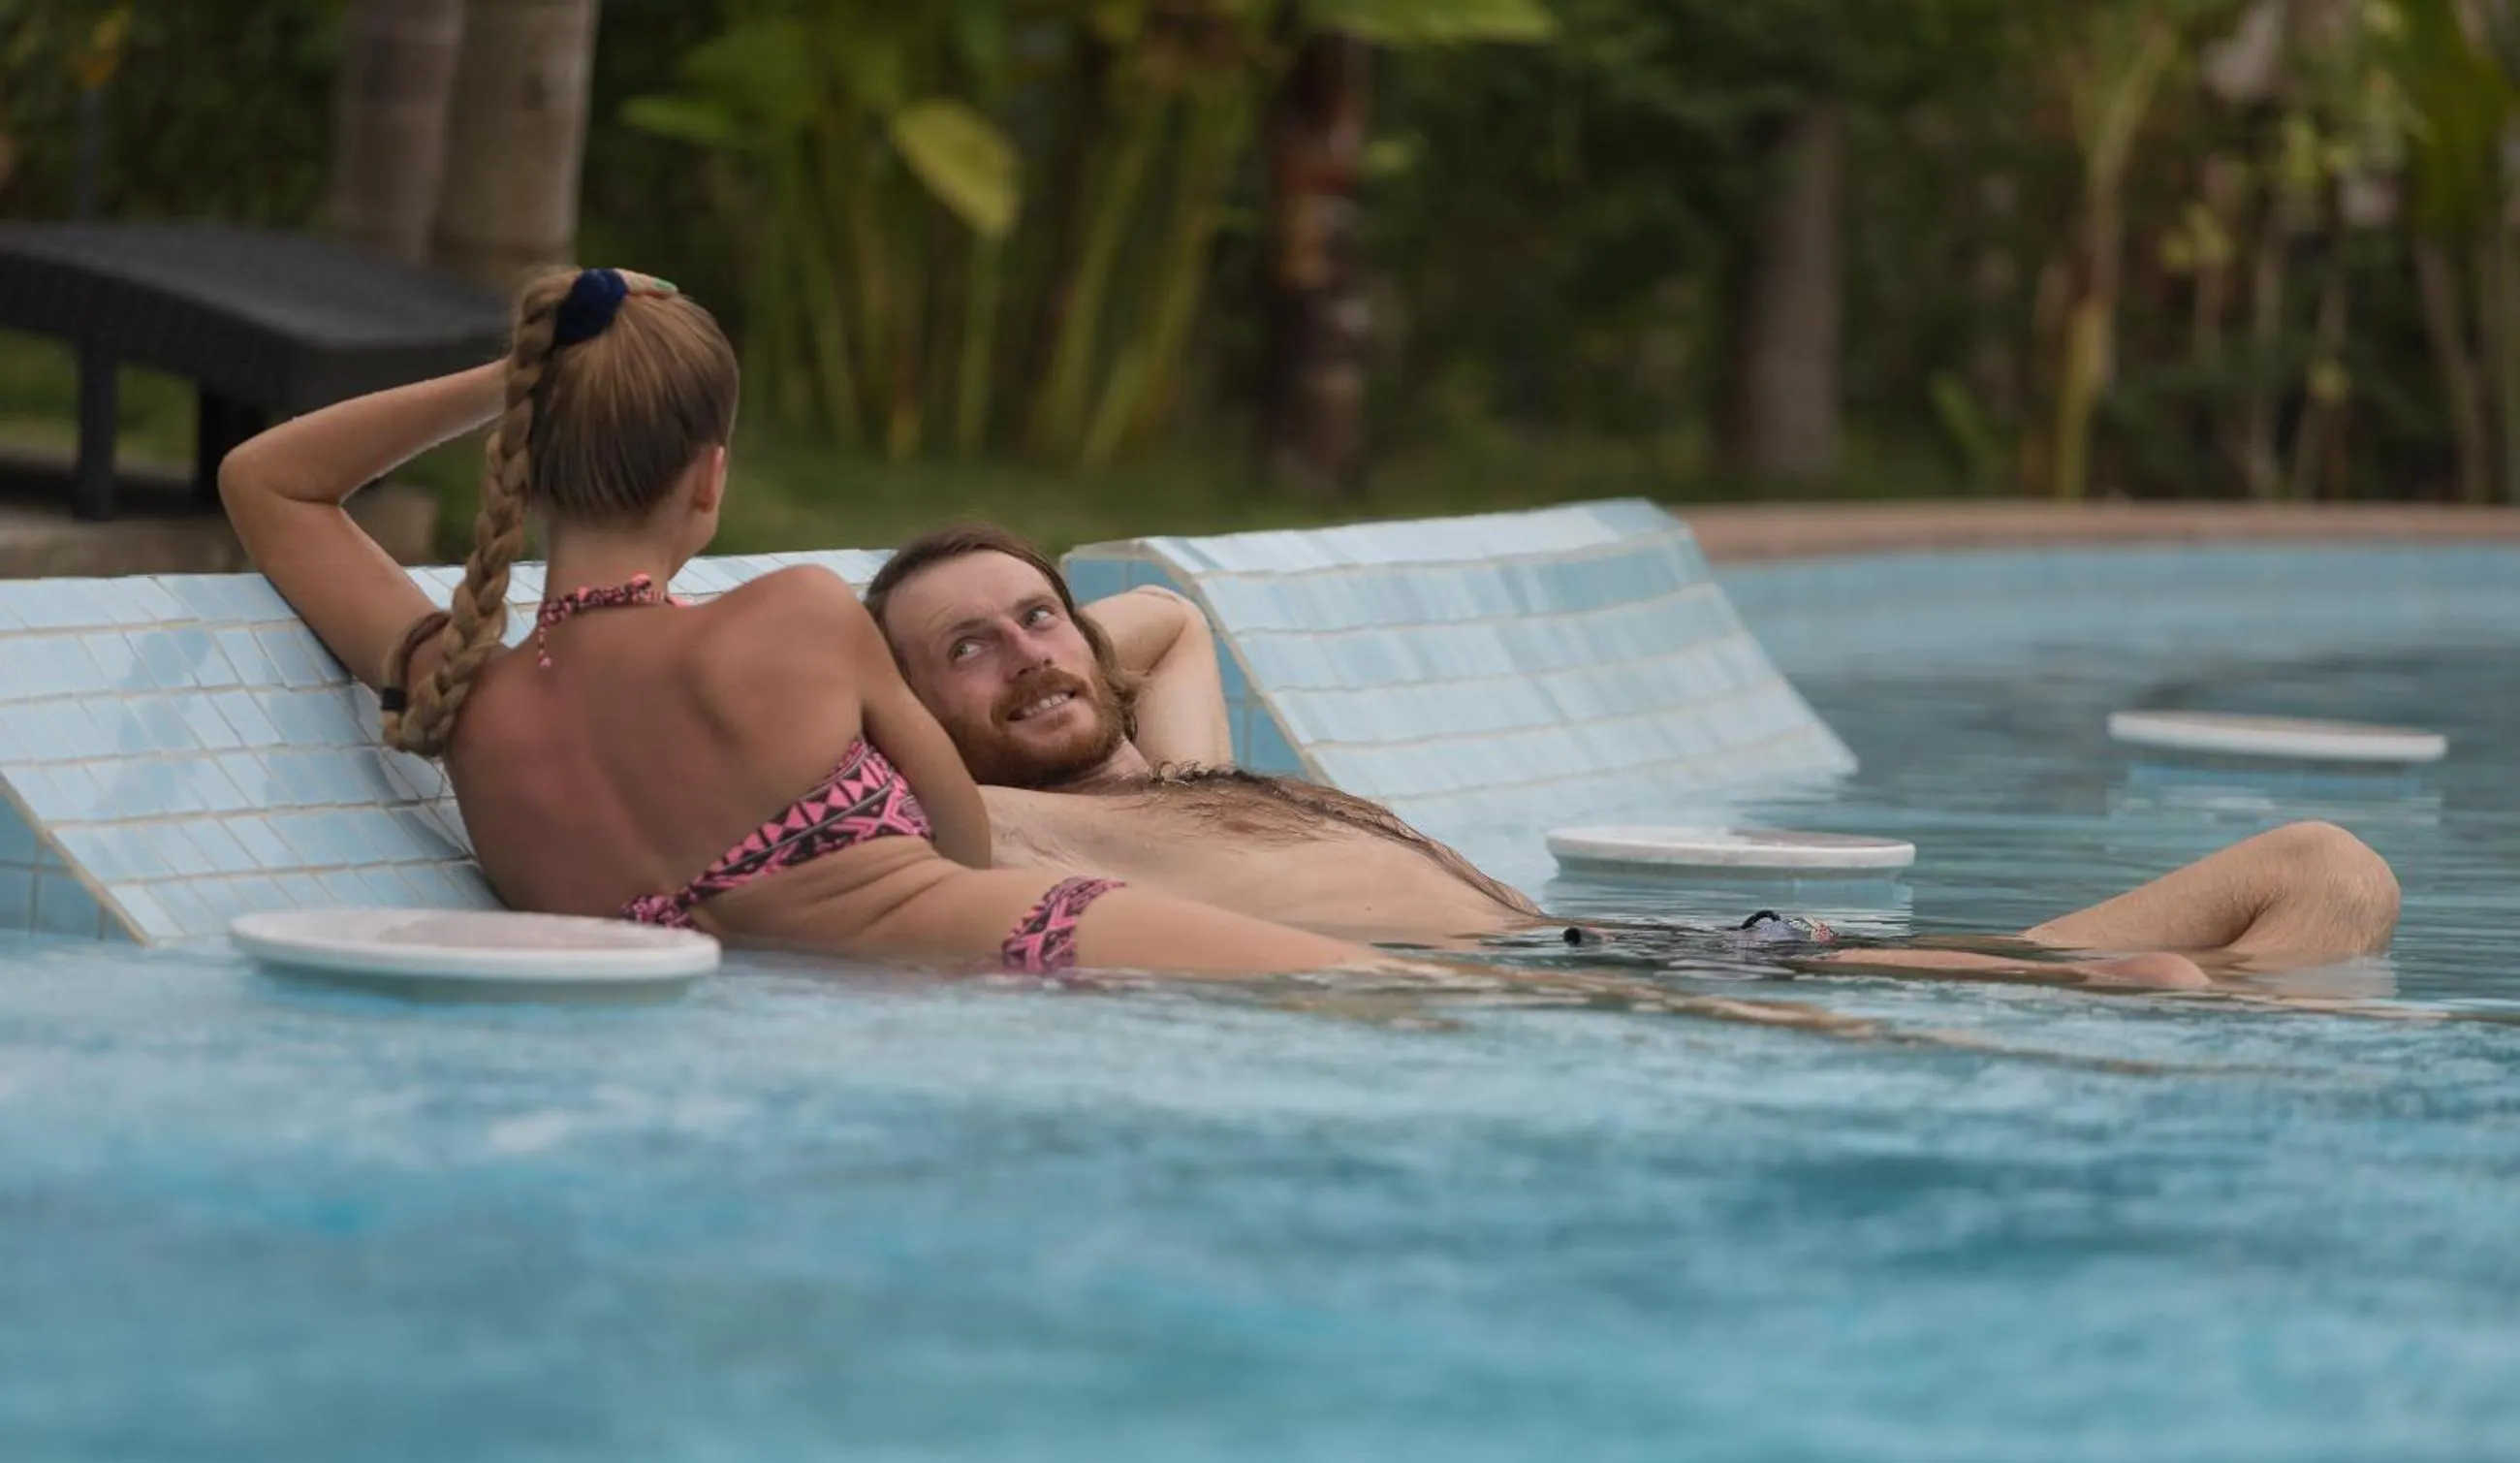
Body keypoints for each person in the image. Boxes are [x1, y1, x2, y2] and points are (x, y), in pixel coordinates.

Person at [217, 268, 1376, 978]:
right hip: (1028, 945)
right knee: (1439, 1005)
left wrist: (515, 378)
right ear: (710, 479)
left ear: (528, 456)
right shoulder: (797, 615)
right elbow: (963, 842)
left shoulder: (465, 698)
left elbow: (267, 481)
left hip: (799, 1025)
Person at [863, 523, 2405, 986]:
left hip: (1669, 955)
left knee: (2327, 870)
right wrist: (929, 709)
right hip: (1589, 1000)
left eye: (1040, 619)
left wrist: (1044, 648)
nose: (1038, 656)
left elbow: (1167, 621)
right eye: (973, 652)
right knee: (2163, 987)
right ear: (917, 714)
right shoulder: (1002, 828)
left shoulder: (1175, 767)